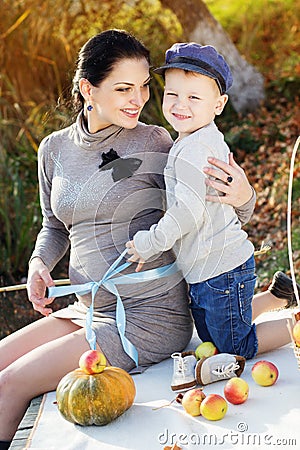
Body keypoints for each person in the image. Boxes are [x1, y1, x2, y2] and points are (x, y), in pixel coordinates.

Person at [0, 30, 296, 448]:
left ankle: (277, 308)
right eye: (124, 88)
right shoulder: (53, 150)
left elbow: (220, 210)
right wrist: (38, 264)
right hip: (86, 306)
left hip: (147, 316)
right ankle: (274, 297)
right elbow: (54, 226)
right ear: (88, 89)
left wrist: (245, 193)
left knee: (9, 385)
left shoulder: (159, 141)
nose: (138, 99)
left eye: (142, 87)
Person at [126, 42, 299, 388]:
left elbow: (187, 213)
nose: (179, 104)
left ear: (218, 105)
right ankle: (278, 294)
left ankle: (293, 322)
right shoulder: (192, 140)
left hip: (220, 268)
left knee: (235, 346)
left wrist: (150, 242)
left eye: (194, 98)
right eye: (173, 94)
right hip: (208, 268)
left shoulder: (195, 149)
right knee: (221, 330)